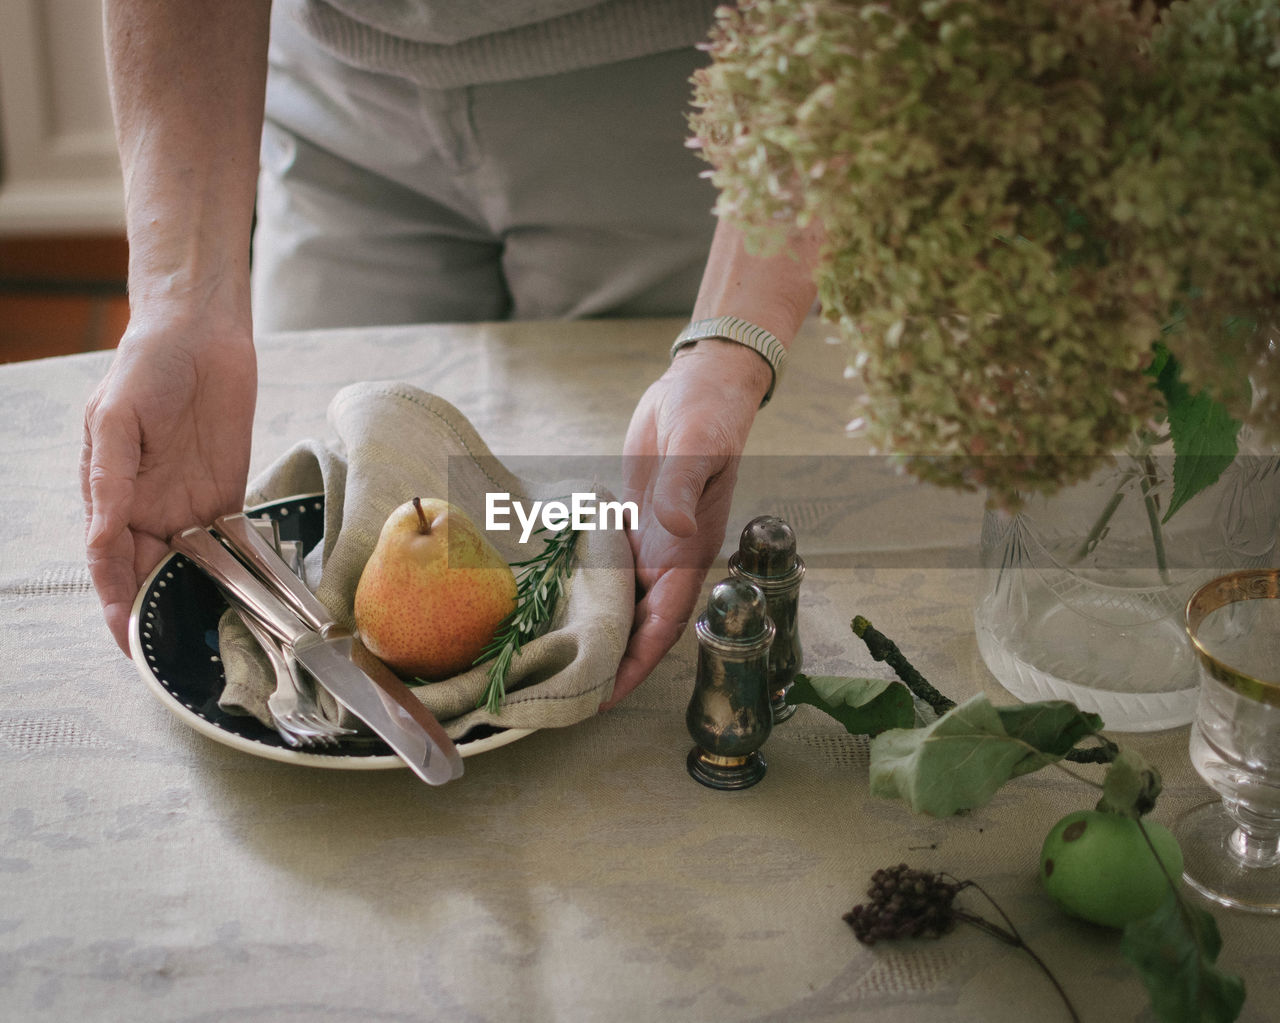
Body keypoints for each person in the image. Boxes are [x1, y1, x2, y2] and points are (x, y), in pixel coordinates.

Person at [81, 0, 821, 707]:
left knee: (637, 532)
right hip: (333, 104)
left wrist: (730, 342)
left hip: (686, 108)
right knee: (313, 482)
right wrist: (180, 302)